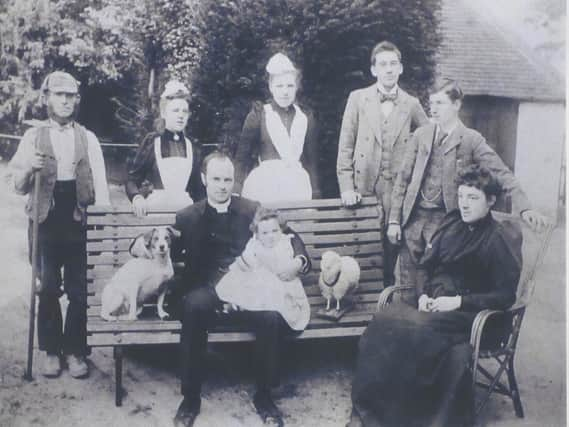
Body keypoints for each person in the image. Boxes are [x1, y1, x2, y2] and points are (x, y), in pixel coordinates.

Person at [349, 165, 524, 427]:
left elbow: (504, 296)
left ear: (491, 201)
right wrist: (422, 296)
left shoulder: (499, 238)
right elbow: (425, 266)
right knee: (383, 321)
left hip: (476, 316)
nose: (464, 204)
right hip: (433, 302)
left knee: (416, 329)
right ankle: (375, 411)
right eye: (462, 196)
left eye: (473, 198)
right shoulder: (452, 222)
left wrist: (458, 302)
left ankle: (407, 417)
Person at [171, 151, 311, 427]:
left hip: (249, 287)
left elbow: (290, 235)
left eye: (228, 179)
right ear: (203, 179)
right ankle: (190, 398)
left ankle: (264, 395)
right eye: (216, 179)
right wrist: (137, 245)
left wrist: (299, 261)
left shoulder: (251, 208)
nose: (223, 186)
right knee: (194, 306)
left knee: (270, 316)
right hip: (208, 289)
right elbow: (163, 247)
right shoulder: (187, 216)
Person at [387, 79, 547, 295]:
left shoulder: (471, 140)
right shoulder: (421, 135)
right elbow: (402, 180)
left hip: (446, 224)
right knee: (405, 285)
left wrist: (524, 206)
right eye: (431, 103)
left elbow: (501, 172)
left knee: (434, 283)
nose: (433, 109)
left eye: (440, 103)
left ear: (456, 105)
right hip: (413, 221)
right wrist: (395, 220)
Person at [8, 71, 110, 379]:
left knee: (79, 290)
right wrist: (29, 167)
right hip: (45, 219)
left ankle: (76, 350)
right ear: (47, 98)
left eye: (71, 96)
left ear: (77, 100)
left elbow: (101, 184)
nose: (65, 101)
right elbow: (17, 184)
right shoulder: (33, 137)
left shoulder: (87, 138)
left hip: (78, 217)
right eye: (59, 95)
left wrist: (101, 225)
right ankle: (51, 350)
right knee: (49, 286)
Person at [336, 41, 428, 287]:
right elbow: (345, 146)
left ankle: (385, 305)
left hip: (397, 192)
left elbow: (428, 143)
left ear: (401, 69)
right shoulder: (358, 99)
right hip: (363, 188)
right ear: (374, 70)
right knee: (360, 250)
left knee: (391, 254)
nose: (388, 69)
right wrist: (347, 187)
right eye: (383, 64)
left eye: (393, 64)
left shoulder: (411, 104)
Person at [234, 52, 320, 203]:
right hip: (266, 184)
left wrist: (316, 192)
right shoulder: (259, 115)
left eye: (290, 86)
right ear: (271, 87)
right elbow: (242, 159)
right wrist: (235, 190)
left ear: (296, 87)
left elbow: (311, 161)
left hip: (297, 185)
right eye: (279, 86)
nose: (285, 92)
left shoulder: (305, 117)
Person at [216, 206, 311, 331]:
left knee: (275, 296)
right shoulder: (255, 245)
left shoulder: (285, 244)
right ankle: (236, 306)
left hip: (283, 286)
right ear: (257, 235)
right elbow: (246, 262)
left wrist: (295, 263)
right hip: (260, 287)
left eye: (275, 231)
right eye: (265, 233)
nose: (270, 236)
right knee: (246, 282)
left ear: (282, 230)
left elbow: (285, 268)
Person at [126, 80, 204, 216]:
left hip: (185, 214)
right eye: (175, 110)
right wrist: (136, 197)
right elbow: (132, 180)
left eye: (184, 111)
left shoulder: (192, 146)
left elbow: (198, 190)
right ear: (164, 113)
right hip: (157, 214)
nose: (180, 115)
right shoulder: (152, 142)